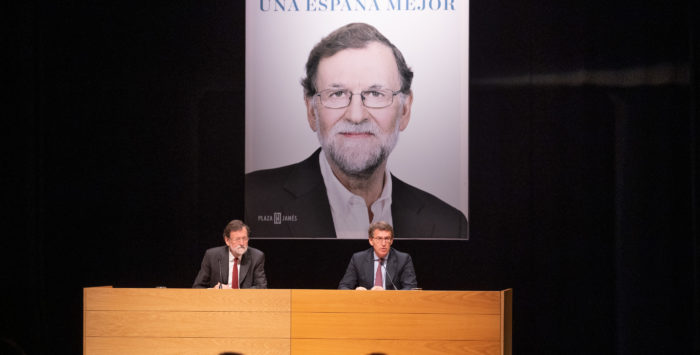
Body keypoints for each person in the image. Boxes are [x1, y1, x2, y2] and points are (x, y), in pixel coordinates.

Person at [245, 22, 468, 239]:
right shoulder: (249, 201)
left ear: (405, 109)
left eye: (375, 93)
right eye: (338, 94)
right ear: (312, 111)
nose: (356, 115)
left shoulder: (448, 225)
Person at [338, 221, 417, 290]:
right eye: (379, 238)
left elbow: (411, 288)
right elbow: (344, 286)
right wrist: (356, 293)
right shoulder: (358, 259)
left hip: (392, 304)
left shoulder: (403, 259)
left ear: (391, 241)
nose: (383, 243)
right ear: (371, 241)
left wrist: (386, 294)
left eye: (387, 238)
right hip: (366, 303)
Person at [193, 220, 268, 289]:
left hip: (245, 302)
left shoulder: (256, 256)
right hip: (218, 301)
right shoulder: (212, 256)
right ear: (227, 240)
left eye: (244, 238)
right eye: (237, 239)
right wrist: (213, 290)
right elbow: (197, 287)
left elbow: (261, 287)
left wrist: (234, 292)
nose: (242, 243)